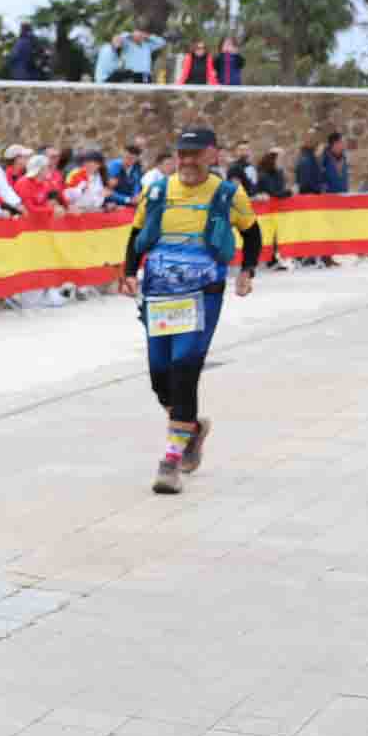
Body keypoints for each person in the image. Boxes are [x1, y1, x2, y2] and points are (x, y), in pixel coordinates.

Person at [118, 125, 259, 495]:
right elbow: (135, 233)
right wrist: (129, 272)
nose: (188, 161)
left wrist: (247, 271)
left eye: (195, 154)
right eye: (182, 154)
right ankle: (191, 429)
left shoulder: (228, 194)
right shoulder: (158, 190)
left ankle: (170, 461)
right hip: (160, 295)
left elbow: (252, 232)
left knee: (184, 369)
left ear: (213, 155)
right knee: (159, 376)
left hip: (203, 296)